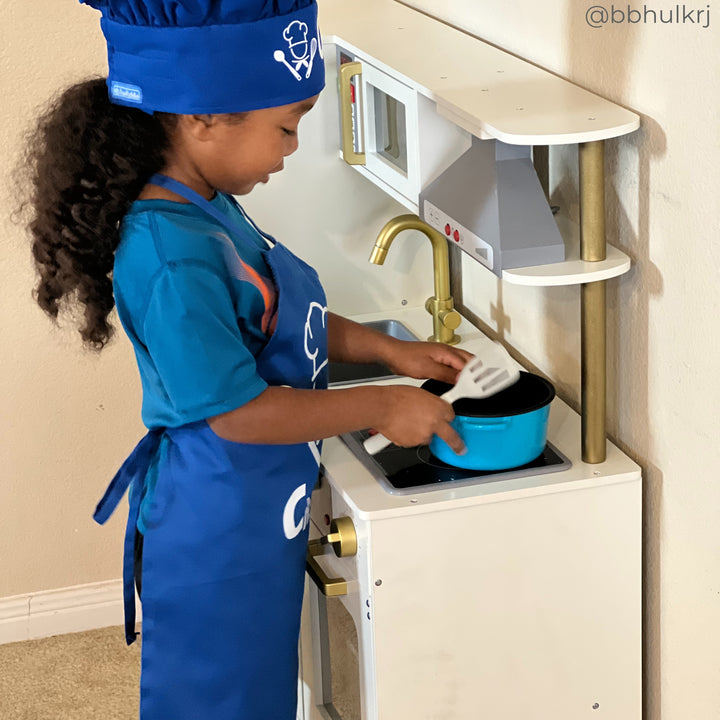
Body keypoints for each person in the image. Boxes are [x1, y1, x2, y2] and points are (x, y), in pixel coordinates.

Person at [19, 1, 471, 718]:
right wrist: (385, 403)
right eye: (286, 127)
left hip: (258, 512)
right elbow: (236, 413)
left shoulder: (207, 205)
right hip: (215, 532)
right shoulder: (170, 253)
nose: (290, 149)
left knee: (260, 693)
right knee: (217, 701)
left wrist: (392, 349)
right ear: (204, 117)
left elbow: (286, 319)